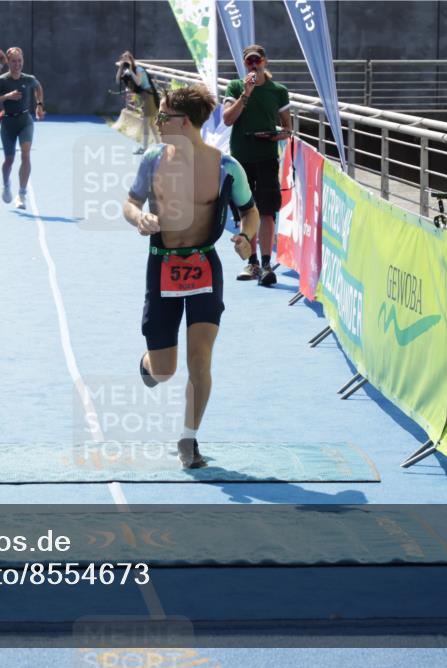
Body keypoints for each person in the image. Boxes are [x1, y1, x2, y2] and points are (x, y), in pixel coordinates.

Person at [123, 84, 261, 469]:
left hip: (203, 265)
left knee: (200, 359)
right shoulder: (152, 159)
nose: (158, 120)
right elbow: (130, 202)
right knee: (165, 370)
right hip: (162, 265)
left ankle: (189, 439)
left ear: (183, 122)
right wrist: (140, 218)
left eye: (163, 115)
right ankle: (149, 364)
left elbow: (249, 210)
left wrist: (247, 237)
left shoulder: (225, 166)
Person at [222, 45, 292, 287]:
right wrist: (246, 93)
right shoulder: (235, 87)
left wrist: (279, 135)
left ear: (265, 61)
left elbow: (287, 127)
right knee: (245, 210)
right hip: (241, 158)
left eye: (257, 60)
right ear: (244, 64)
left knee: (267, 211)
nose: (253, 64)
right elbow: (227, 119)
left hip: (267, 157)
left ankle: (265, 264)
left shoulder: (279, 91)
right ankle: (251, 262)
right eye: (249, 61)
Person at [0, 47, 44, 209]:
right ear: (8, 62)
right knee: (9, 160)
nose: (17, 64)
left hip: (25, 120)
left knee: (25, 155)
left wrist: (39, 105)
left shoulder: (29, 79)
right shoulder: (2, 81)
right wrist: (6, 97)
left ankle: (21, 194)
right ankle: (6, 183)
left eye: (20, 61)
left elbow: (38, 87)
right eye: (13, 61)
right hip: (8, 123)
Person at [116, 51, 159, 154]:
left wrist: (131, 70)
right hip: (144, 97)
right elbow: (117, 80)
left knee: (146, 123)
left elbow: (138, 82)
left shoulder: (138, 69)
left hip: (149, 95)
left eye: (128, 59)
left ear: (132, 60)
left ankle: (145, 148)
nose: (126, 62)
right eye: (124, 60)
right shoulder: (127, 71)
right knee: (151, 124)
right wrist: (120, 68)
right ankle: (160, 145)